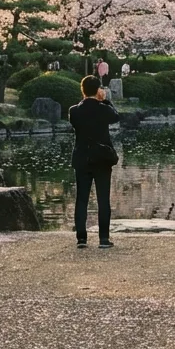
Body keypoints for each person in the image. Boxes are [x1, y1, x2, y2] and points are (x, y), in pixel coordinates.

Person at [68, 75, 119, 249]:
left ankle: (81, 238)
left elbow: (76, 124)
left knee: (81, 199)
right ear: (98, 90)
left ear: (82, 90)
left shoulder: (74, 110)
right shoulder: (104, 109)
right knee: (103, 199)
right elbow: (116, 117)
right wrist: (106, 101)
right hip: (102, 158)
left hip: (82, 157)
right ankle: (104, 239)